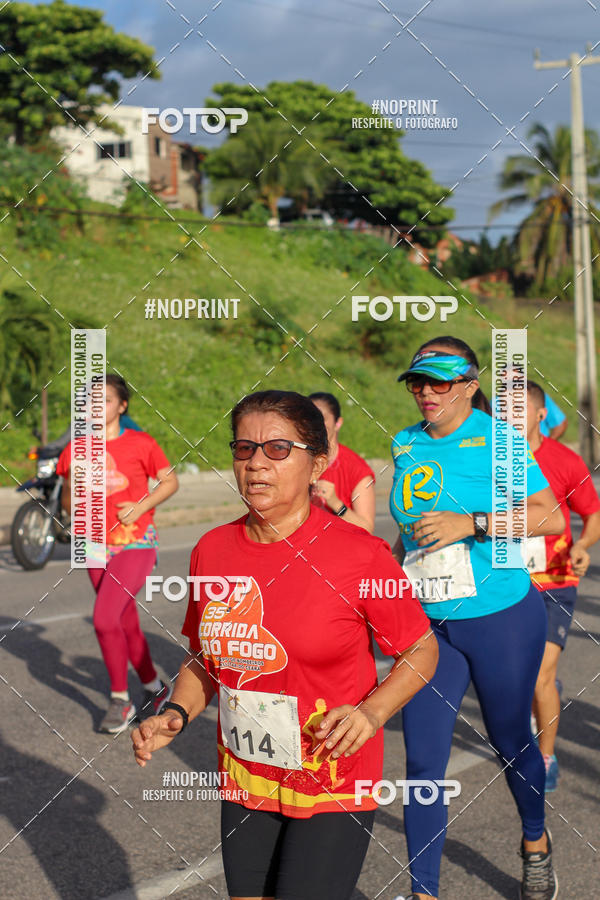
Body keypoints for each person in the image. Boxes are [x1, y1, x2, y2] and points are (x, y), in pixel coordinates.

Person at [132, 389, 438, 900]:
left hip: (333, 778)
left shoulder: (360, 555)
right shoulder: (212, 550)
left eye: (277, 449)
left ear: (317, 463)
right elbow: (206, 660)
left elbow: (422, 649)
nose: (256, 464)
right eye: (244, 448)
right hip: (246, 777)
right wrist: (177, 712)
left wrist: (371, 714)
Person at [389, 337, 564, 900]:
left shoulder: (499, 442)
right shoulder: (404, 443)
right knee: (422, 762)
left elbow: (550, 517)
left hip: (500, 615)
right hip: (428, 625)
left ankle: (534, 841)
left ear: (468, 384)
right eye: (418, 382)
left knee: (512, 740)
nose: (426, 393)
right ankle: (424, 890)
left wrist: (473, 524)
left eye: (440, 382)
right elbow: (407, 529)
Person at [57, 374, 179, 733]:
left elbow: (170, 481)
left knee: (104, 618)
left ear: (121, 406)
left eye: (105, 400)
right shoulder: (75, 450)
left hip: (136, 542)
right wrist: (73, 489)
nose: (97, 407)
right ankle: (154, 687)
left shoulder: (141, 443)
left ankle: (120, 701)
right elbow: (68, 505)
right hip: (94, 545)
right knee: (123, 619)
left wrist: (141, 507)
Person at [525, 380, 600, 791]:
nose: (506, 420)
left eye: (517, 411)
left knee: (540, 675)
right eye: (500, 413)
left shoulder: (564, 461)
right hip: (501, 583)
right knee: (514, 679)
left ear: (540, 415)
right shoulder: (484, 459)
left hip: (553, 580)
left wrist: (584, 545)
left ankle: (546, 756)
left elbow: (592, 514)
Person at [308, 392, 376, 532]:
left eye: (322, 419)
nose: (315, 426)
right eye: (309, 419)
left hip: (343, 550)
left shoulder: (356, 468)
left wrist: (336, 504)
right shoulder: (295, 460)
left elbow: (367, 529)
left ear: (338, 423)